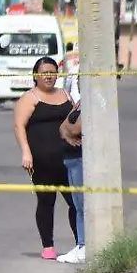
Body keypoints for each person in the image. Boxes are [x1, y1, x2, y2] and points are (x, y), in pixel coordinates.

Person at [13, 56, 79, 260]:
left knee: (76, 202)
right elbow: (19, 126)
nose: (48, 76)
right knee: (46, 201)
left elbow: (74, 120)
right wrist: (26, 152)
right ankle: (48, 246)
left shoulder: (65, 94)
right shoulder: (29, 98)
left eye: (52, 72)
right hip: (42, 161)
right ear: (36, 75)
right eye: (44, 73)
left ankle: (81, 243)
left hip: (67, 159)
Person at [57, 65, 85, 264]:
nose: (81, 82)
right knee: (77, 205)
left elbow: (76, 129)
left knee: (82, 205)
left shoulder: (91, 103)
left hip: (80, 158)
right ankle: (81, 244)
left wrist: (69, 132)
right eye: (79, 79)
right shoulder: (80, 103)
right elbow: (63, 127)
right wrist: (67, 134)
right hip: (71, 159)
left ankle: (85, 245)